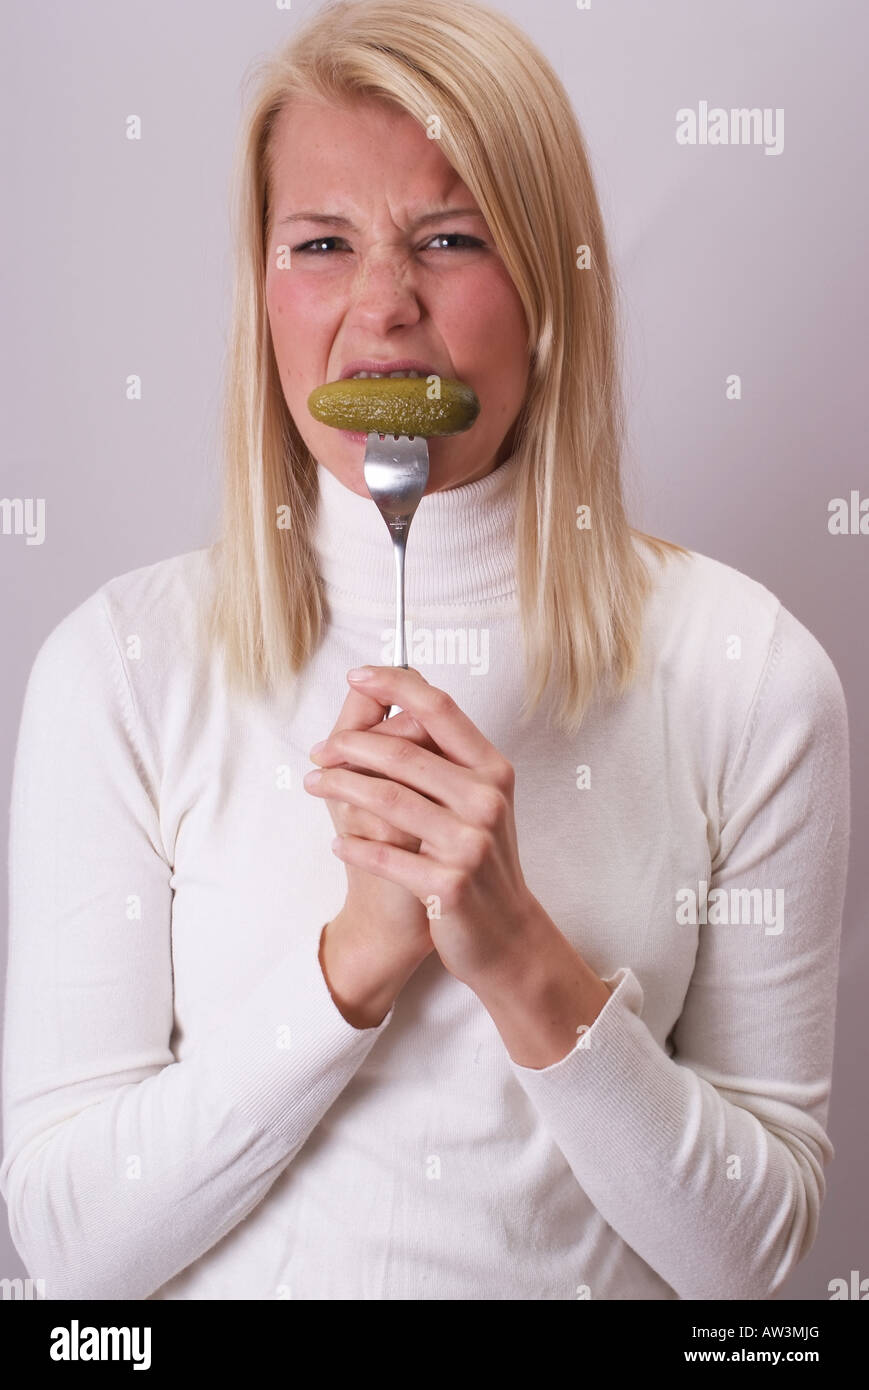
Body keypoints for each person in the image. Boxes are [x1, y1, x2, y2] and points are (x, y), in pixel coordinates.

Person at [1, 0, 850, 1301]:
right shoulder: (117, 668)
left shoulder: (748, 673)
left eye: (448, 239)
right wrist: (351, 960)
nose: (380, 307)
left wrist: (515, 953)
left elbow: (747, 1269)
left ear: (550, 289)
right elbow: (68, 1261)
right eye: (321, 243)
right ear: (262, 287)